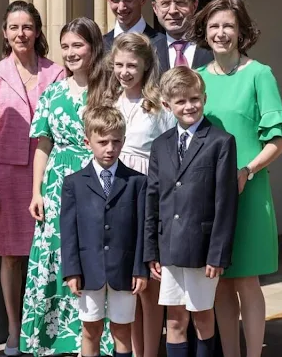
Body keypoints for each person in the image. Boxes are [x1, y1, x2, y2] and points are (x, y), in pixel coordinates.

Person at [189, 0, 282, 357]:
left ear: (241, 31)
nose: (221, 33)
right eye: (214, 26)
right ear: (204, 31)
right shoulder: (197, 80)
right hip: (208, 196)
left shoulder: (258, 74)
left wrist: (248, 170)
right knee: (219, 281)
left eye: (228, 26)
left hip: (248, 190)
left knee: (246, 280)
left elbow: (280, 138)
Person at [19, 17, 113, 356]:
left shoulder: (108, 90)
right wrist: (36, 191)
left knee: (91, 253)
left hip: (95, 179)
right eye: (66, 46)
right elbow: (42, 145)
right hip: (57, 184)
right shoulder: (53, 92)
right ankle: (52, 339)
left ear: (93, 47)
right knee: (55, 258)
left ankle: (94, 340)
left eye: (78, 45)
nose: (71, 53)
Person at [0, 0, 65, 356]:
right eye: (14, 27)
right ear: (5, 32)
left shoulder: (57, 73)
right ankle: (15, 333)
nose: (21, 33)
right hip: (8, 172)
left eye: (28, 26)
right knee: (11, 256)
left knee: (51, 253)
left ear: (38, 31)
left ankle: (51, 331)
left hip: (50, 171)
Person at [143, 66, 239, 357]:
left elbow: (226, 203)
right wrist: (151, 250)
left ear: (204, 98)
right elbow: (153, 196)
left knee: (201, 315)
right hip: (169, 246)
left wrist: (217, 254)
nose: (189, 106)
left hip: (201, 248)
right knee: (174, 318)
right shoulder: (161, 145)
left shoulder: (221, 142)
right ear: (167, 105)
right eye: (181, 101)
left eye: (194, 98)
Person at [99, 32, 176, 357]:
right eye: (119, 64)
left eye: (132, 65)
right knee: (125, 282)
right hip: (115, 195)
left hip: (147, 194)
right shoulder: (108, 102)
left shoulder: (159, 107)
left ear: (146, 66)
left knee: (148, 283)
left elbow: (171, 156)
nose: (125, 71)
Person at [61, 106, 149, 357]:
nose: (110, 148)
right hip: (89, 271)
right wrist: (72, 271)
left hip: (124, 270)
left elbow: (142, 229)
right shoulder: (74, 183)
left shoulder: (137, 182)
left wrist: (140, 269)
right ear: (88, 142)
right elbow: (68, 232)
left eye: (116, 141)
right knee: (91, 329)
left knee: (122, 331)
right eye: (103, 142)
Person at [151, 0, 213, 75]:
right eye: (165, 4)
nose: (172, 10)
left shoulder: (214, 47)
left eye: (180, 3)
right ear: (155, 8)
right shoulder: (147, 52)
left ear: (194, 6)